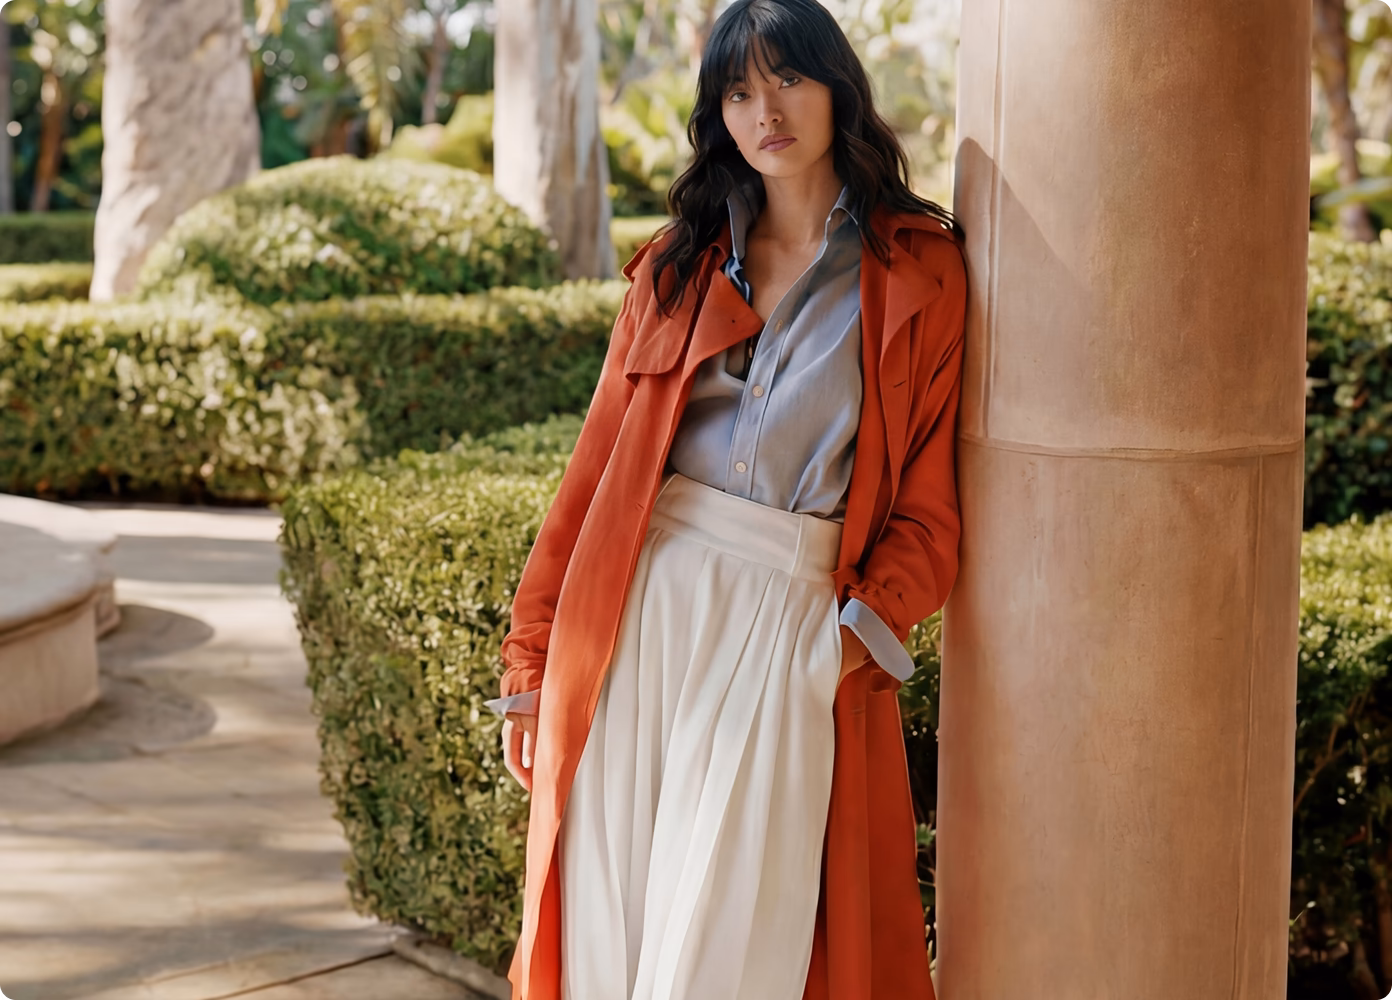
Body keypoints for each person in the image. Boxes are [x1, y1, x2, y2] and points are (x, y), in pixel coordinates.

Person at [484, 1, 967, 997]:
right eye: (738, 91)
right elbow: (594, 477)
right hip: (642, 612)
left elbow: (929, 498)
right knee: (612, 931)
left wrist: (841, 640)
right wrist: (532, 658)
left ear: (838, 86)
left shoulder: (920, 270)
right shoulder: (675, 266)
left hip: (787, 622)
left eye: (786, 77)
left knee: (725, 953)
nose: (765, 110)